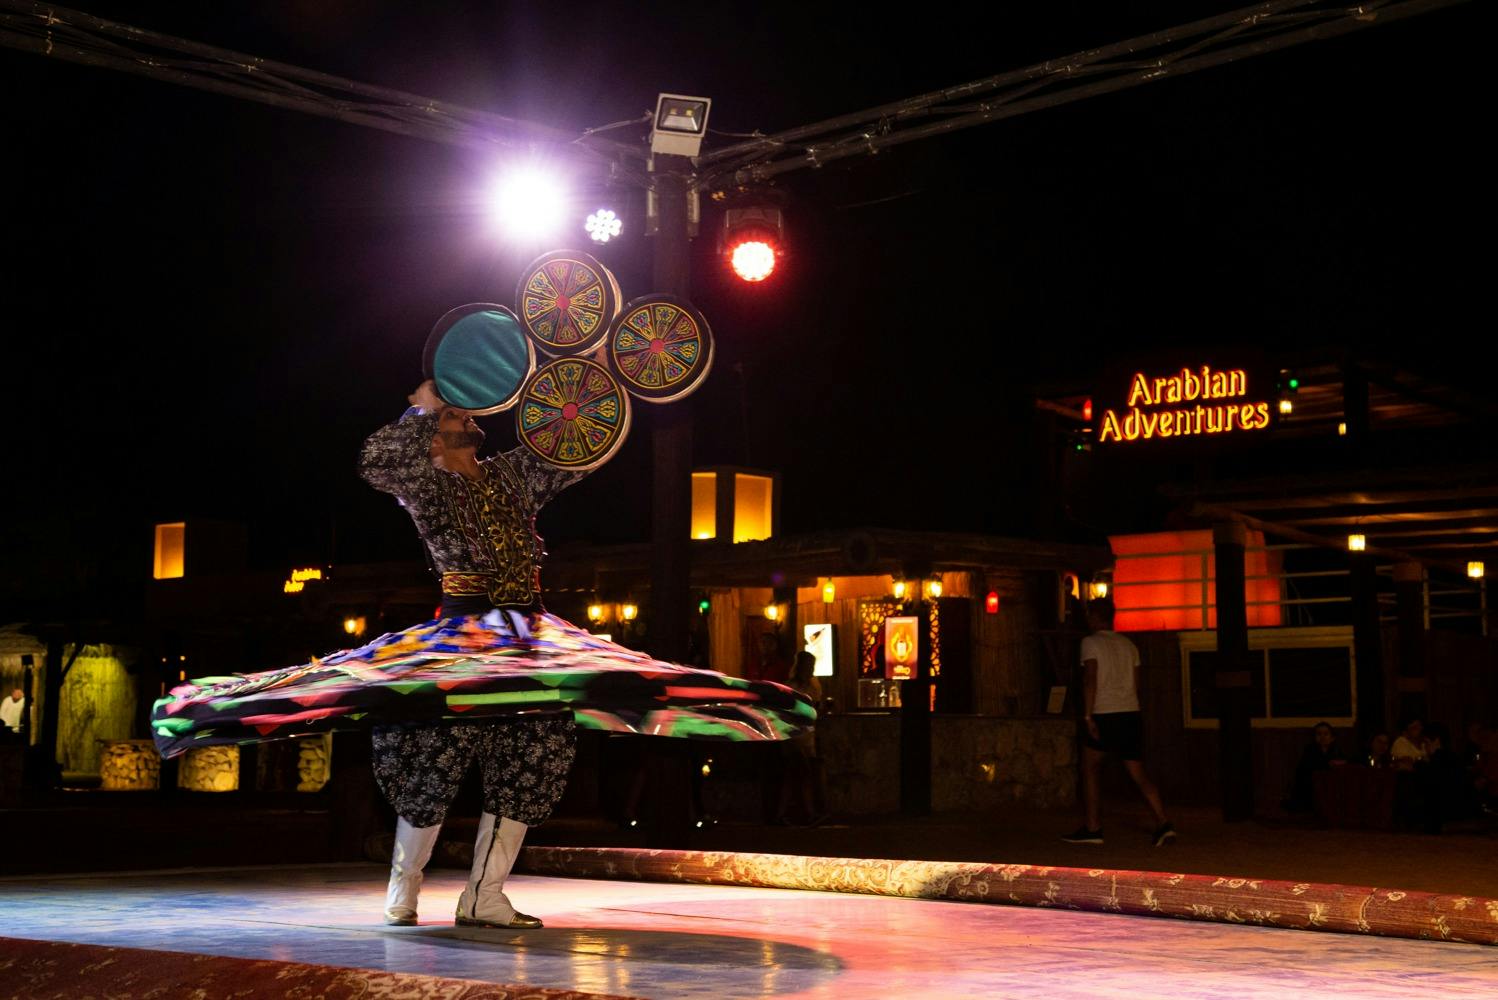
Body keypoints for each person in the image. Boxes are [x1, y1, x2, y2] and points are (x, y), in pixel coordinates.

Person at [361, 380, 587, 930]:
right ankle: (403, 889)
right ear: (432, 437)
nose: (468, 420)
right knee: (430, 760)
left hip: (526, 640)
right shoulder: (426, 482)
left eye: (467, 414)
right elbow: (375, 460)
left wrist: (589, 371)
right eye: (455, 416)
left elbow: (575, 449)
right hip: (460, 641)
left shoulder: (511, 475)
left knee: (533, 757)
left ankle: (484, 896)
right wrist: (424, 405)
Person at [1061, 598, 1174, 846]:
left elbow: (1090, 678)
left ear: (1094, 616)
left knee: (1090, 767)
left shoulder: (1090, 643)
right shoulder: (1129, 645)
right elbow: (1136, 683)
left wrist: (1088, 715)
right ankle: (1163, 822)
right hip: (1129, 712)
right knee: (1137, 771)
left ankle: (1093, 828)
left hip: (1104, 712)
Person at [775, 650, 828, 825]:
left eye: (813, 666)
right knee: (802, 773)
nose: (812, 669)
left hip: (808, 737)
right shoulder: (791, 687)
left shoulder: (814, 685)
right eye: (809, 666)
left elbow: (817, 708)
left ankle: (784, 813)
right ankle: (808, 813)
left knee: (795, 776)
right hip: (794, 736)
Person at [1284, 721, 1347, 814]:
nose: (1322, 737)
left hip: (1331, 787)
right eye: (1319, 734)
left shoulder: (1336, 750)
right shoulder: (1310, 750)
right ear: (1314, 737)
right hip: (1311, 786)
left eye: (1326, 734)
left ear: (1332, 738)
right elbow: (1305, 768)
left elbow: (1343, 763)